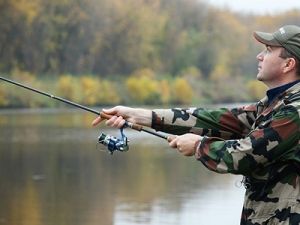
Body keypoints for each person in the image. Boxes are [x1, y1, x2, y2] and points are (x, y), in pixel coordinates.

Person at [92, 25, 300, 225]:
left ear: (288, 64)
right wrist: (143, 116)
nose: (260, 56)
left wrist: (199, 146)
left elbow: (247, 154)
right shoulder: (274, 103)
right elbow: (216, 119)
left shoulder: (295, 111)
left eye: (269, 50)